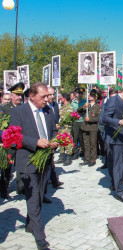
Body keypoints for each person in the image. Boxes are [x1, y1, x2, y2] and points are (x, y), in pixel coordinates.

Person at [10, 82, 59, 250]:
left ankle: (30, 223)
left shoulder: (49, 111)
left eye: (47, 96)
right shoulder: (18, 112)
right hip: (28, 160)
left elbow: (53, 132)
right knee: (33, 199)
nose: (47, 99)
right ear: (31, 96)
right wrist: (35, 142)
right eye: (43, 96)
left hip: (44, 161)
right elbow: (15, 135)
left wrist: (54, 142)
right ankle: (40, 237)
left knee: (39, 195)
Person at [101, 85, 123, 203]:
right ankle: (119, 191)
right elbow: (105, 118)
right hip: (115, 138)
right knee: (117, 164)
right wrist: (118, 122)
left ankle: (116, 182)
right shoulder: (113, 101)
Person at [0, 83, 24, 199]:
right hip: (10, 144)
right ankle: (4, 189)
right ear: (12, 95)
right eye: (17, 95)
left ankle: (21, 188)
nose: (19, 97)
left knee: (21, 166)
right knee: (7, 167)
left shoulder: (24, 108)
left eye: (21, 95)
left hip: (21, 143)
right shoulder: (5, 109)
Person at [78, 89, 101, 166]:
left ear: (95, 97)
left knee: (93, 144)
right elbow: (78, 111)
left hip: (93, 128)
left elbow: (99, 118)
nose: (90, 96)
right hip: (85, 127)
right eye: (89, 95)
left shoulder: (98, 107)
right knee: (86, 144)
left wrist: (90, 119)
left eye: (91, 95)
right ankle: (87, 159)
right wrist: (84, 107)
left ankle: (92, 159)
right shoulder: (86, 105)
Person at [55, 93, 74, 166]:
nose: (60, 98)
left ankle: (68, 158)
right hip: (61, 128)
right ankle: (62, 157)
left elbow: (67, 118)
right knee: (61, 141)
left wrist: (60, 124)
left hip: (66, 128)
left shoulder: (69, 107)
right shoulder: (63, 106)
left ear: (64, 98)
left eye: (61, 97)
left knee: (67, 142)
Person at [71, 88, 86, 159]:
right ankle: (75, 153)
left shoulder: (85, 102)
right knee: (75, 138)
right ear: (75, 94)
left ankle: (83, 151)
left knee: (82, 138)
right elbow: (72, 112)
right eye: (78, 93)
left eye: (81, 93)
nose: (80, 95)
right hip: (75, 122)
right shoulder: (72, 103)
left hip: (82, 121)